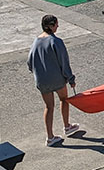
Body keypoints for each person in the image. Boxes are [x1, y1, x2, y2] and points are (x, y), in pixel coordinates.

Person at [27, 14, 79, 147]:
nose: (58, 26)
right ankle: (67, 126)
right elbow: (64, 62)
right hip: (57, 79)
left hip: (42, 81)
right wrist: (70, 79)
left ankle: (50, 137)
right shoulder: (56, 41)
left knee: (49, 107)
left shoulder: (36, 41)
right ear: (51, 26)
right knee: (64, 100)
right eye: (56, 24)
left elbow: (29, 61)